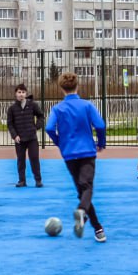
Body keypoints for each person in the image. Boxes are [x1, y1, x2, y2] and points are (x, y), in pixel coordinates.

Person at [44, 72, 107, 243]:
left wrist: (60, 143)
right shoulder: (87, 105)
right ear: (77, 86)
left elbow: (49, 128)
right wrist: (101, 142)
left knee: (82, 191)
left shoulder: (57, 108)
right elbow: (100, 125)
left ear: (61, 88)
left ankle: (97, 228)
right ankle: (82, 212)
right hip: (86, 151)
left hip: (69, 154)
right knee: (87, 189)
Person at [6, 83, 45, 187]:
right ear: (15, 93)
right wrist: (15, 136)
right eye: (19, 92)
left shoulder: (33, 105)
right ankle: (22, 181)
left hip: (32, 138)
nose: (21, 94)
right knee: (20, 160)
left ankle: (38, 180)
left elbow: (41, 116)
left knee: (34, 158)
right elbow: (10, 124)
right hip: (19, 140)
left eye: (23, 92)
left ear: (26, 93)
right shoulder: (12, 109)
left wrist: (36, 127)